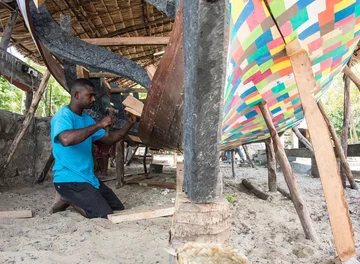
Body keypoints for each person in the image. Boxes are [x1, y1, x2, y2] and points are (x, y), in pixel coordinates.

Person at [49, 78, 136, 218]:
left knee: (117, 207)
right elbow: (65, 139)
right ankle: (67, 199)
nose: (94, 99)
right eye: (90, 95)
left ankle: (75, 198)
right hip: (69, 179)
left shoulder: (87, 120)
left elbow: (107, 141)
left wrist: (129, 125)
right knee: (102, 214)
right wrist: (99, 125)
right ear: (76, 95)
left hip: (88, 177)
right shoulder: (62, 117)